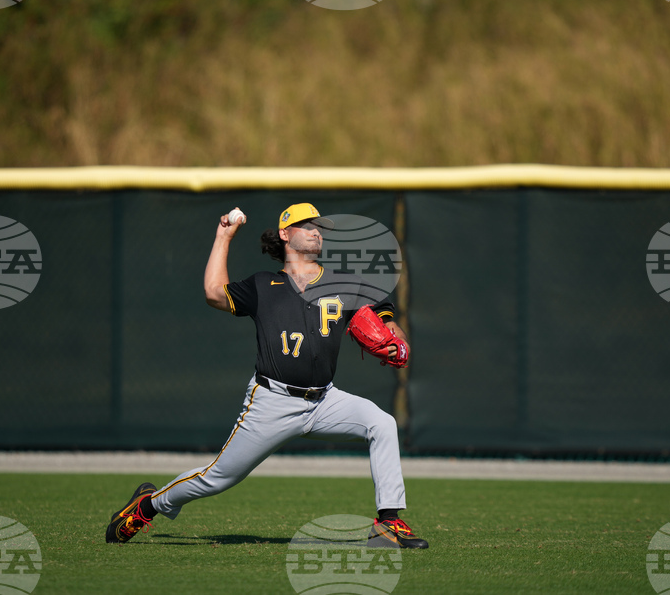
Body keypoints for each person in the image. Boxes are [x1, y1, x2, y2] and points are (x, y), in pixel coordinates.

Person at [106, 203, 429, 549]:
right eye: (307, 225)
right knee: (217, 477)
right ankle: (148, 505)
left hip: (325, 399)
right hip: (272, 401)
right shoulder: (264, 284)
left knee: (381, 423)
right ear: (286, 234)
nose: (316, 231)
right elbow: (214, 292)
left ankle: (389, 524)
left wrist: (395, 340)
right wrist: (223, 236)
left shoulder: (344, 283)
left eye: (319, 226)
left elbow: (385, 320)